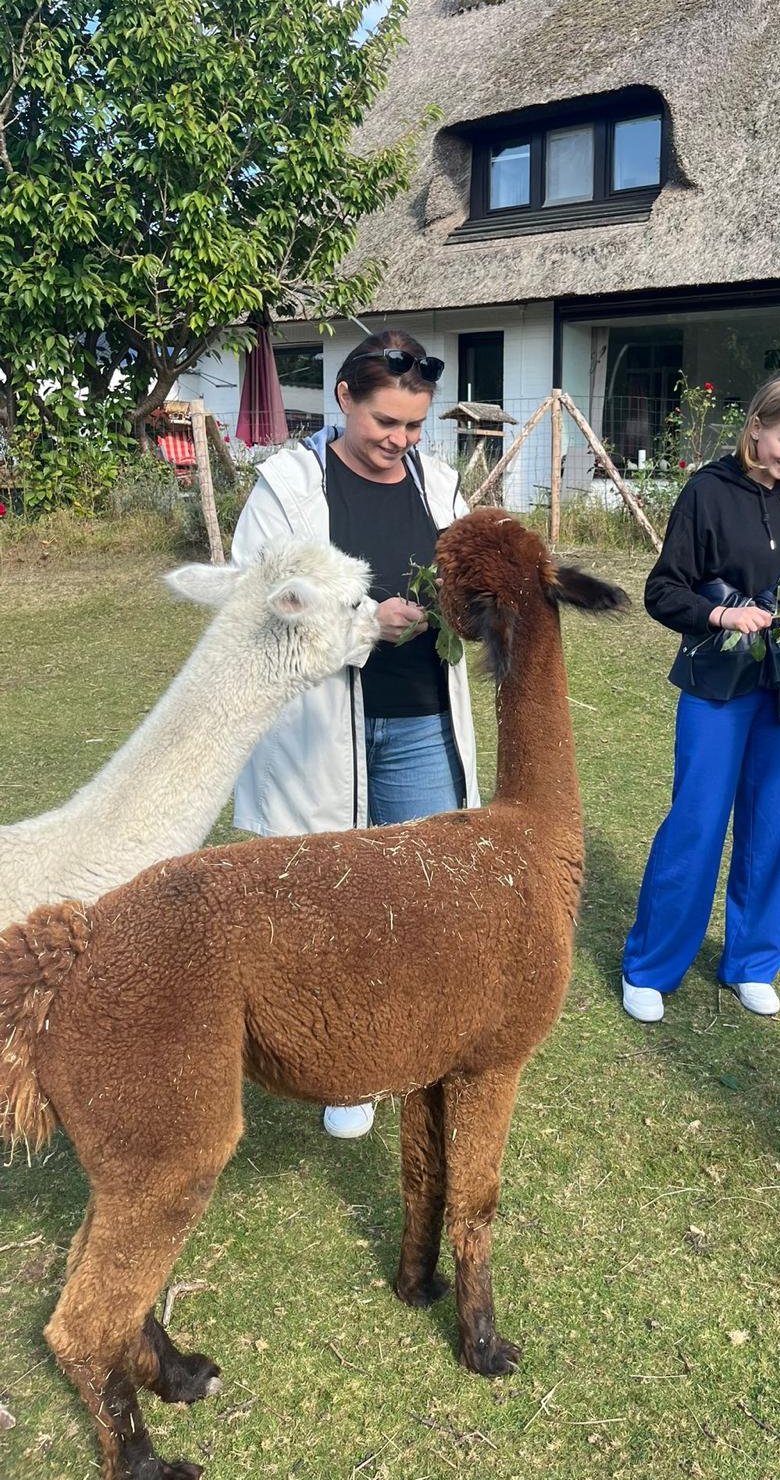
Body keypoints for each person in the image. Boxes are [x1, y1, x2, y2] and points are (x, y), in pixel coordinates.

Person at [231, 329, 480, 1136]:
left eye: (414, 427)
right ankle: (341, 1064)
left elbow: (474, 574)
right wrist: (367, 621)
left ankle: (409, 1042)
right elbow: (259, 605)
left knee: (419, 895)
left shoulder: (439, 486)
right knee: (326, 904)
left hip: (418, 723)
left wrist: (471, 604)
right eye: (386, 425)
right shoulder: (286, 489)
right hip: (319, 735)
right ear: (344, 400)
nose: (400, 444)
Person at [621, 370, 780, 1023]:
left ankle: (752, 963)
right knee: (696, 822)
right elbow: (662, 591)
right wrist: (720, 617)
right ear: (756, 425)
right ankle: (651, 967)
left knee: (774, 825)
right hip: (719, 686)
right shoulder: (707, 493)